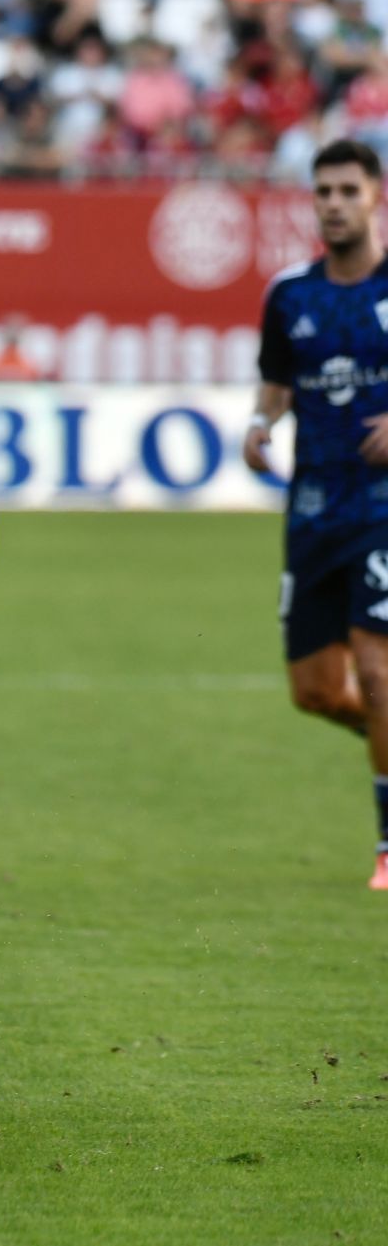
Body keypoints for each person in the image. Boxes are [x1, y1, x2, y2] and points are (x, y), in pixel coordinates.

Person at [244, 138, 388, 891]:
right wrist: (262, 424)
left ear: (375, 196)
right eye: (322, 191)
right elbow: (277, 381)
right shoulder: (290, 294)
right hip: (313, 508)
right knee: (317, 690)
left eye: (346, 190)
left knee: (376, 660)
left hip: (384, 507)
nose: (332, 203)